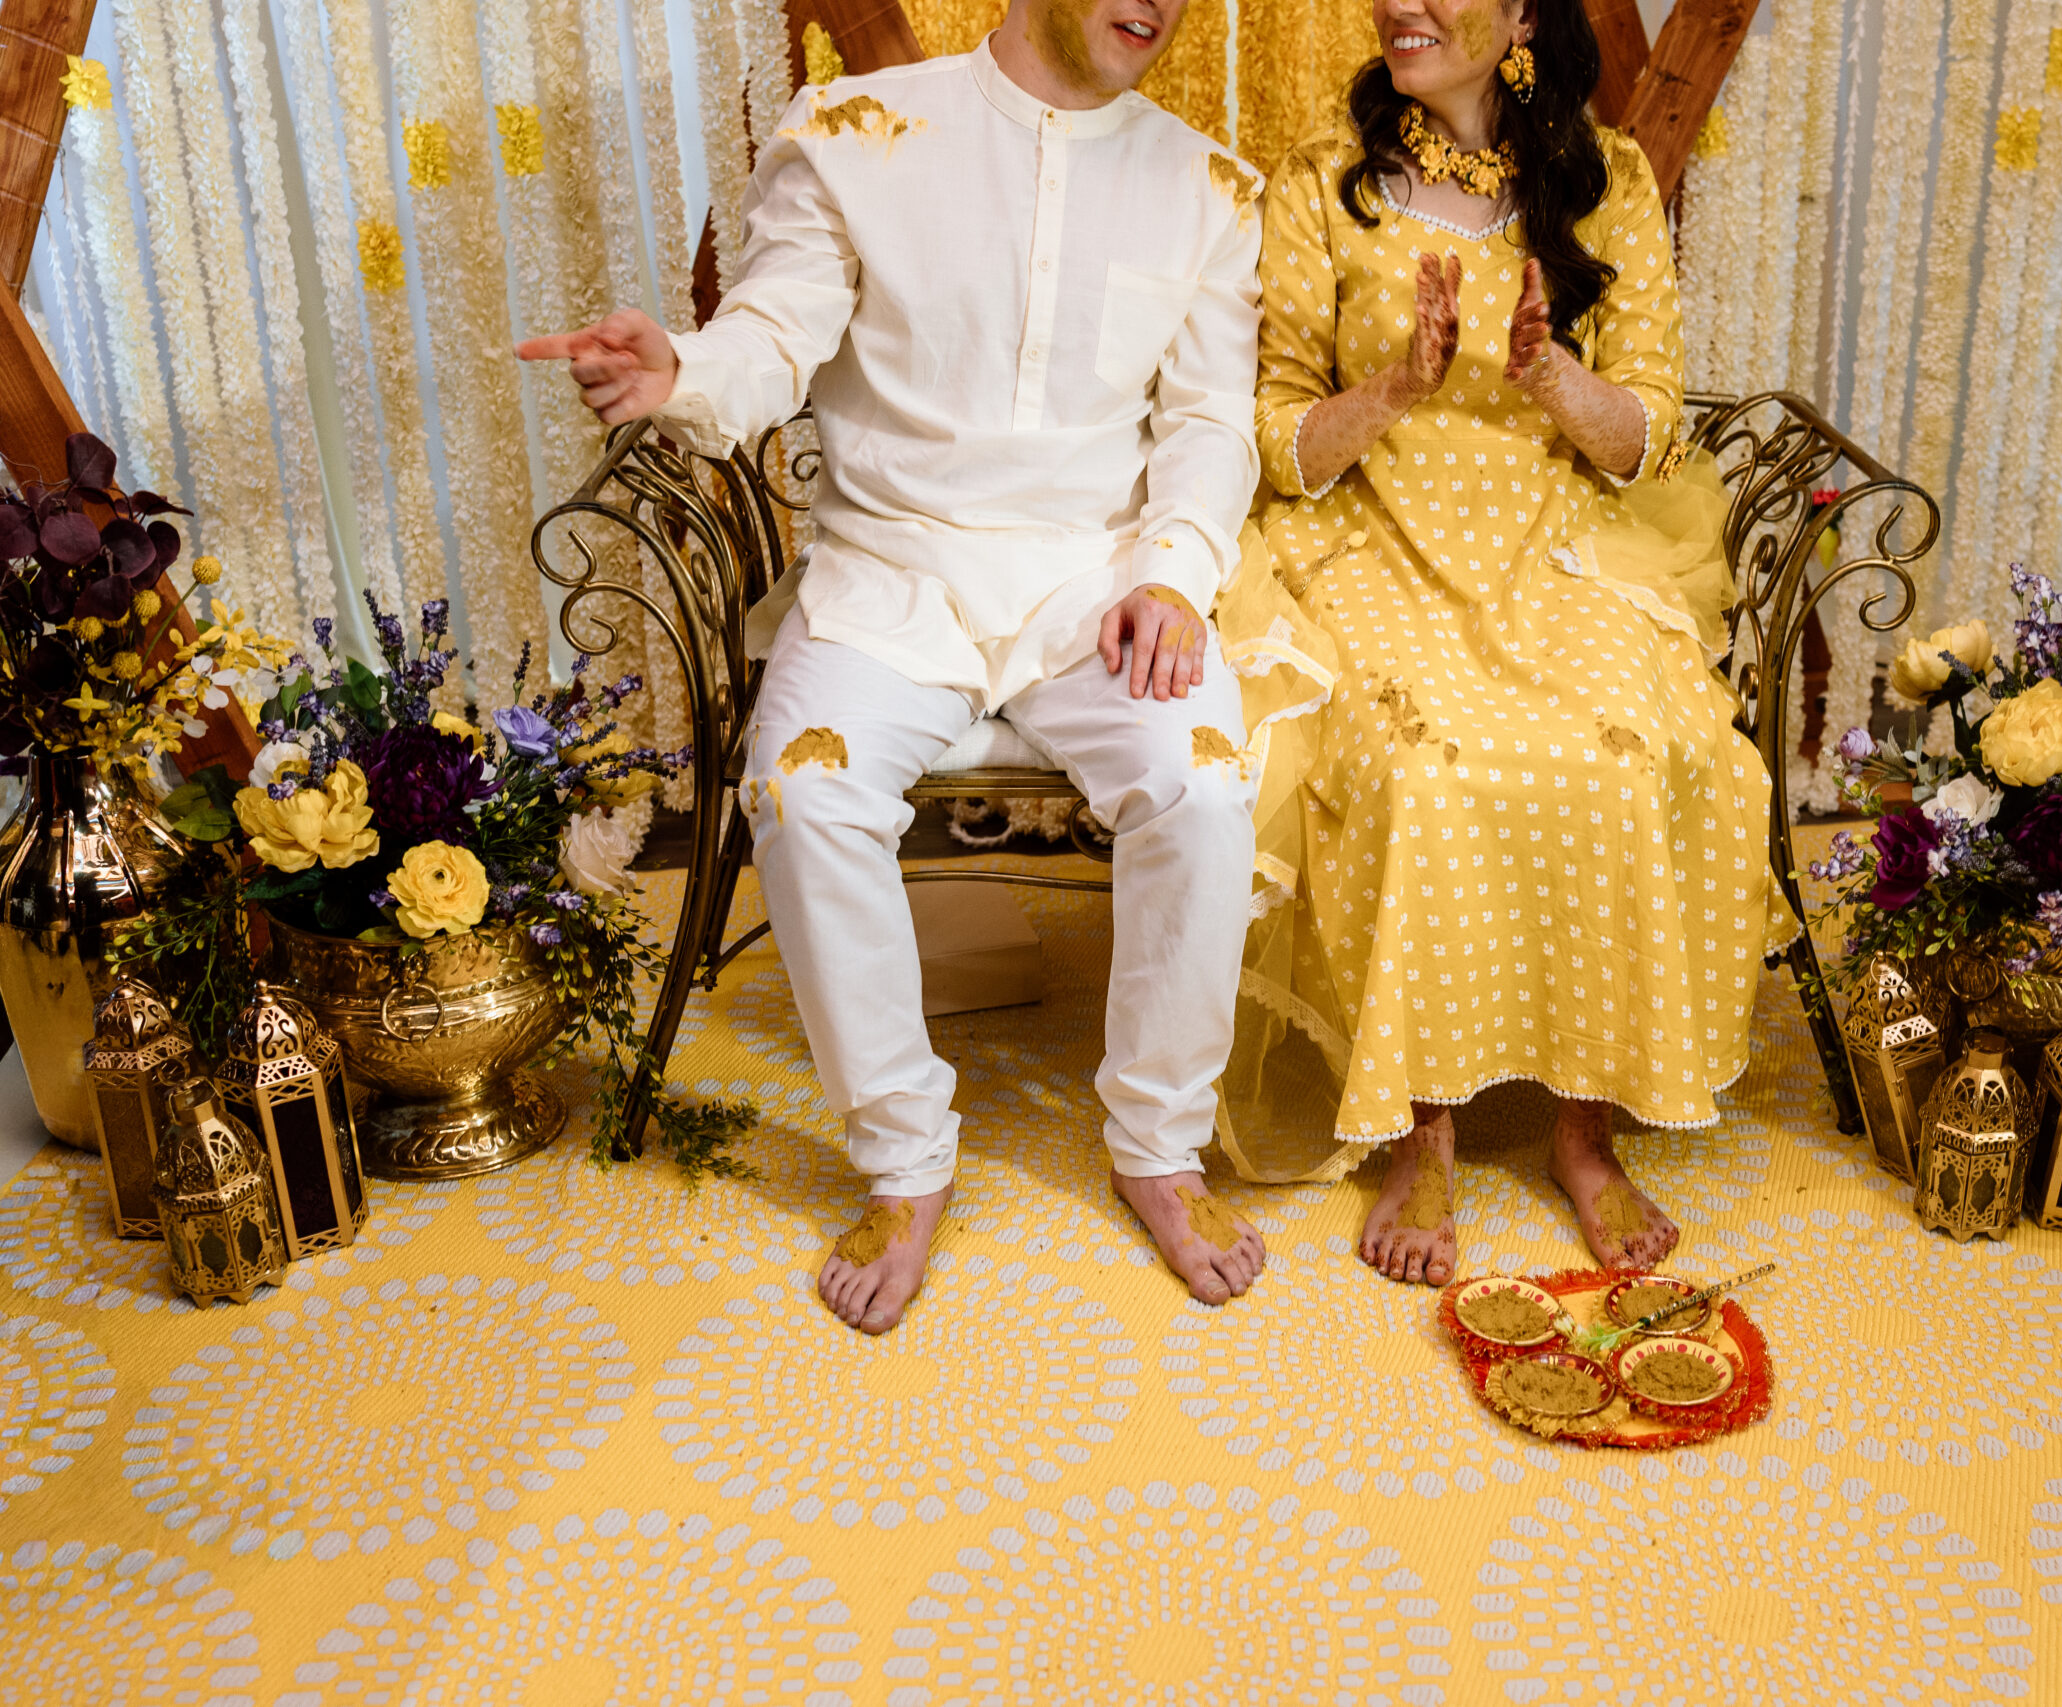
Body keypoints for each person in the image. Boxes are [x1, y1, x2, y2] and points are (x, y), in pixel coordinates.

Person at [520, 0, 1272, 1333]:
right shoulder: (858, 134)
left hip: (1093, 584)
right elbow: (769, 341)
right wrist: (682, 366)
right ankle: (905, 1159)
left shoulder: (1209, 186)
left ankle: (1158, 1140)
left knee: (1207, 789)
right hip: (890, 577)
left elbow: (1211, 421)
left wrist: (1174, 574)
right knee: (804, 799)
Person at [1211, 0, 1789, 1285]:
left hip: (1560, 540)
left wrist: (1547, 379)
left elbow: (1646, 431)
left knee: (1634, 753)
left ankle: (1584, 1134)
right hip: (1366, 538)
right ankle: (1427, 1125)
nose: (1399, 5)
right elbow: (1277, 437)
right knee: (1425, 770)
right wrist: (1397, 391)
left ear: (1520, 13)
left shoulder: (1608, 178)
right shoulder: (1322, 182)